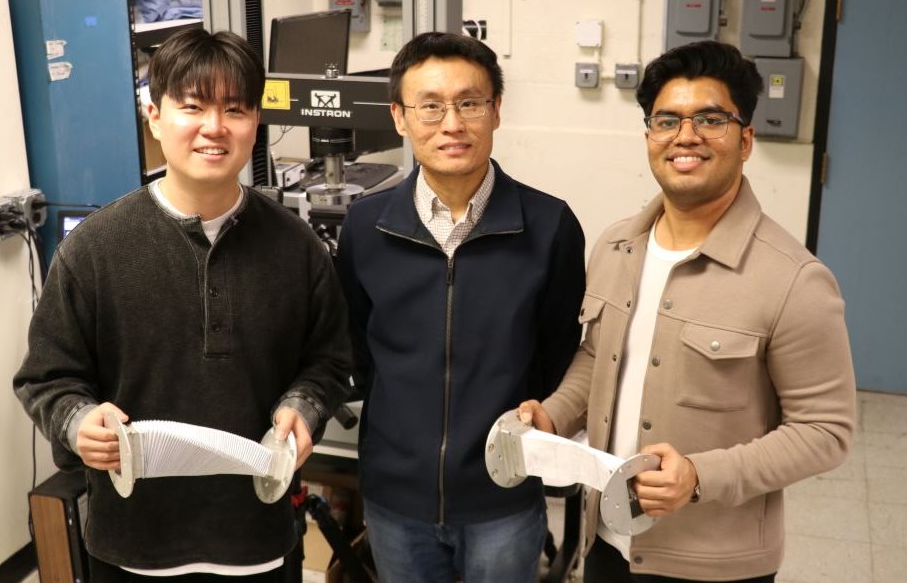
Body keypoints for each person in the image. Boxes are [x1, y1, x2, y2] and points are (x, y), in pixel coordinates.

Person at [13, 28, 352, 582]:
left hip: (258, 535)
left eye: (234, 109)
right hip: (133, 542)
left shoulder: (298, 248)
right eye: (192, 107)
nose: (214, 128)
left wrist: (305, 405)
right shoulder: (94, 249)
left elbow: (331, 362)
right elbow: (46, 379)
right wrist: (79, 424)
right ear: (154, 116)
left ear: (255, 124)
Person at [519, 40, 856, 582]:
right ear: (649, 135)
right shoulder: (616, 246)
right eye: (667, 120)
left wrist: (699, 476)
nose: (686, 136)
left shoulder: (794, 280)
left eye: (710, 118)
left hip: (714, 563)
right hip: (604, 539)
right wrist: (554, 414)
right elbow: (596, 358)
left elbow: (825, 431)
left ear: (745, 139)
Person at [336, 31, 586, 583]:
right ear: (400, 117)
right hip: (395, 499)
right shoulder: (365, 227)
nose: (452, 124)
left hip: (503, 496)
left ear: (496, 110)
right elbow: (358, 347)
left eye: (469, 103)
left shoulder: (550, 227)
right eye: (430, 106)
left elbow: (559, 356)